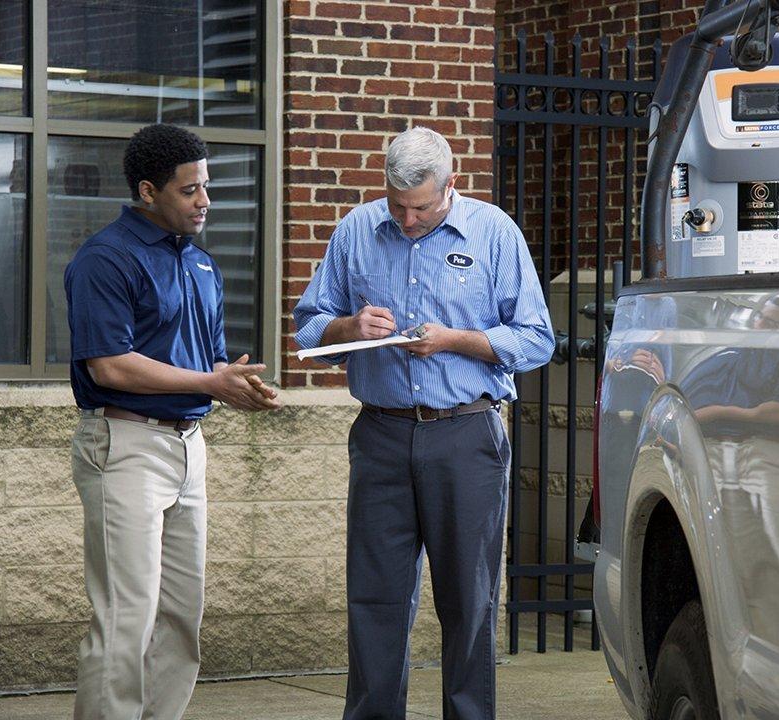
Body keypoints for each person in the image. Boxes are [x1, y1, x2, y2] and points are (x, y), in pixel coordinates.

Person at [293, 126, 554, 720]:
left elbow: (538, 340)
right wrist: (348, 328)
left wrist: (455, 340)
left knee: (469, 600)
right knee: (375, 597)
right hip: (381, 434)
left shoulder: (493, 233)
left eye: (421, 207)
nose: (407, 219)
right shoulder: (356, 230)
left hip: (465, 434)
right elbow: (310, 326)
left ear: (451, 187)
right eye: (397, 205)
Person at [65, 123, 281, 720]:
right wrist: (211, 382)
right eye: (189, 191)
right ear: (146, 191)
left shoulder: (201, 264)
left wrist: (231, 383)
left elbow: (205, 360)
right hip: (126, 445)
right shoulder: (105, 259)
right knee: (126, 616)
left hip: (190, 446)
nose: (205, 201)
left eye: (206, 186)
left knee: (182, 614)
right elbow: (109, 366)